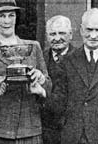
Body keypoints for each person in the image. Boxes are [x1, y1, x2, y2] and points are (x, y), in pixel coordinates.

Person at [0, 0, 52, 144]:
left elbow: (48, 85)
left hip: (28, 128)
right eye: (1, 16)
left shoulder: (33, 47)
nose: (7, 21)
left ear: (16, 18)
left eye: (11, 15)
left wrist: (40, 82)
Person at [53, 8, 98, 144]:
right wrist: (41, 91)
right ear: (80, 30)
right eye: (89, 30)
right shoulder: (67, 61)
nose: (93, 35)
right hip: (72, 138)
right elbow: (58, 103)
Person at [41, 15, 76, 144]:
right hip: (45, 130)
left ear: (71, 34)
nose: (57, 38)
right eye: (52, 34)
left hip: (71, 130)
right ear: (47, 36)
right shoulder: (40, 59)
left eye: (62, 33)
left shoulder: (80, 59)